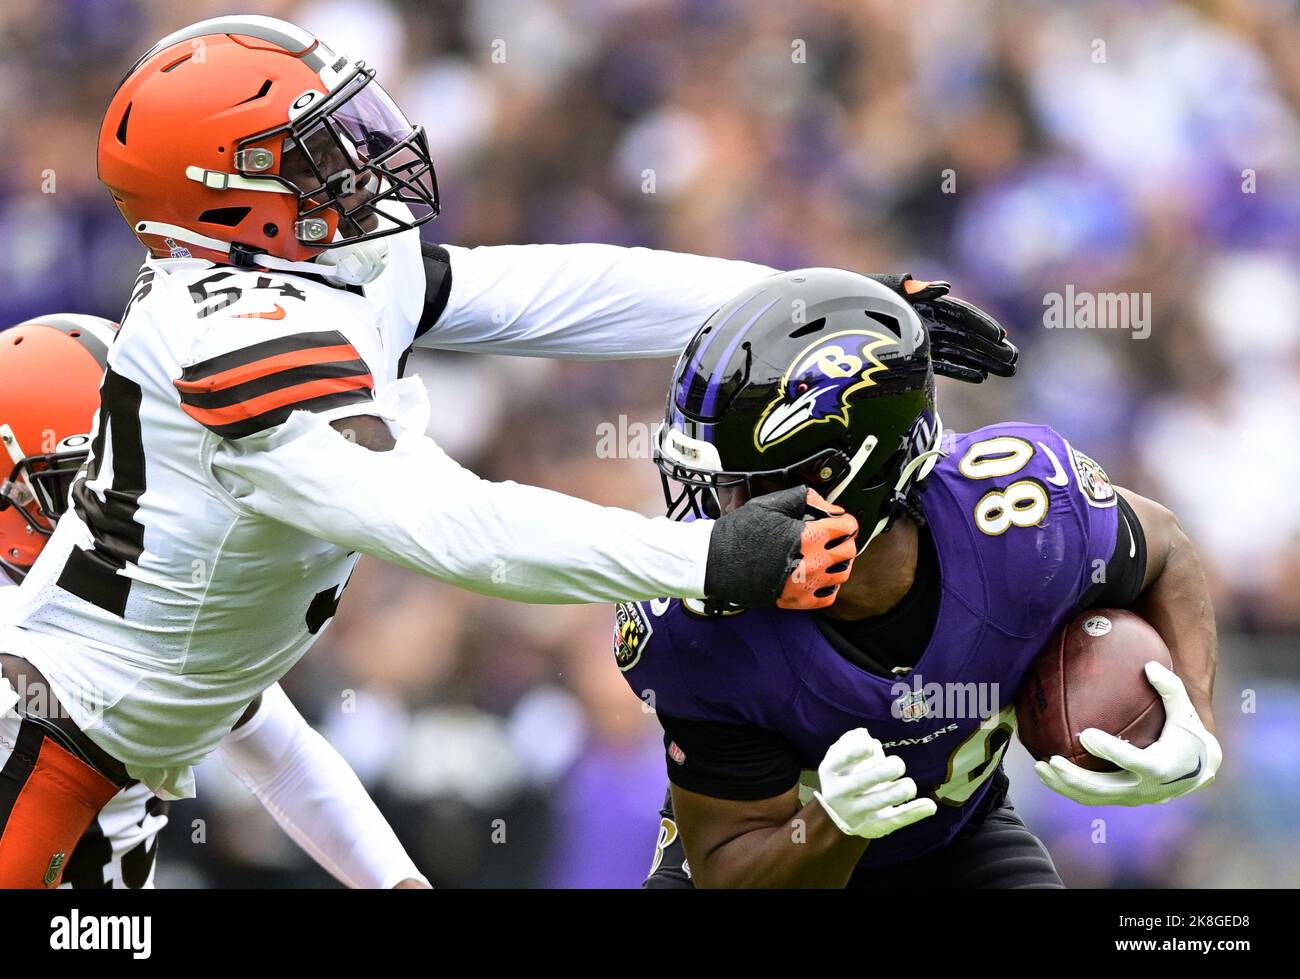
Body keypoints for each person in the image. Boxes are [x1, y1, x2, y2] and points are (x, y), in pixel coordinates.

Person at [0, 15, 1007, 887]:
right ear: (224, 201)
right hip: (43, 751)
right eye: (308, 157)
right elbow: (449, 526)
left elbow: (553, 293)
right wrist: (704, 558)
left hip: (116, 757)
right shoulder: (225, 335)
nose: (356, 164)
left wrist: (815, 299)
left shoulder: (318, 268)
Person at [618, 268, 1221, 888]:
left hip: (952, 845)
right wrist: (836, 823)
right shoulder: (697, 613)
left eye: (756, 481)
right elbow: (727, 867)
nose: (727, 514)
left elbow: (1165, 549)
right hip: (770, 861)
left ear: (852, 470)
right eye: (720, 484)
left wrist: (1196, 714)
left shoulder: (1021, 521)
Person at [0, 314, 426, 889]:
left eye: (136, 478)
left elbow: (283, 755)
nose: (125, 501)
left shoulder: (131, 599)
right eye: (95, 479)